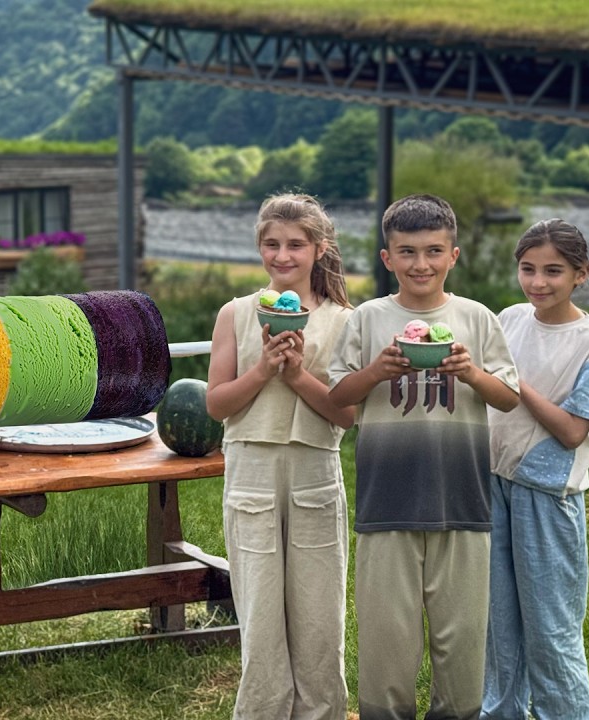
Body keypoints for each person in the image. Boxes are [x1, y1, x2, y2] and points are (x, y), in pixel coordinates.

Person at [328, 193, 520, 720]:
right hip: (386, 503)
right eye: (407, 252)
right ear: (387, 258)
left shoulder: (475, 319)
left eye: (434, 251)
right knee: (388, 646)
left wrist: (471, 372)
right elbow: (337, 397)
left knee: (461, 651)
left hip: (463, 504)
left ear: (452, 255)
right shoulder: (368, 319)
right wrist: (377, 371)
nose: (421, 264)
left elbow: (509, 396)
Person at [206, 193, 355, 719]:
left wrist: (296, 375)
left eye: (295, 245)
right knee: (260, 611)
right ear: (259, 248)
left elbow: (346, 414)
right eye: (272, 244)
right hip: (251, 467)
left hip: (315, 466)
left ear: (319, 249)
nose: (282, 255)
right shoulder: (237, 313)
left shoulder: (344, 320)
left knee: (319, 613)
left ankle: (321, 712)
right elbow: (218, 403)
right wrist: (264, 370)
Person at [482, 219, 589, 719]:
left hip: (547, 494)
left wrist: (515, 384)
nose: (538, 282)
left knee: (550, 628)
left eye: (553, 271)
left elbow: (572, 432)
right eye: (528, 269)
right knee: (498, 625)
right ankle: (500, 713)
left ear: (580, 273)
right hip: (494, 483)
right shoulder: (510, 319)